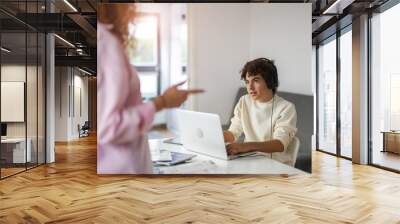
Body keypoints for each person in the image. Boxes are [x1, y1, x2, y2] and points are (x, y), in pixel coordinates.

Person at [97, 4, 203, 174]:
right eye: (130, 5)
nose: (132, 11)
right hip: (121, 171)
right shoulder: (106, 43)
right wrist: (161, 102)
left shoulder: (107, 41)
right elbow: (109, 127)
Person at [223, 58, 297, 166]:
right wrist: (214, 135)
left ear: (270, 81)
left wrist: (245, 146)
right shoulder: (244, 101)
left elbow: (280, 144)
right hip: (249, 161)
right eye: (247, 82)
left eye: (256, 80)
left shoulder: (286, 107)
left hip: (276, 166)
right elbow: (233, 133)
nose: (250, 87)